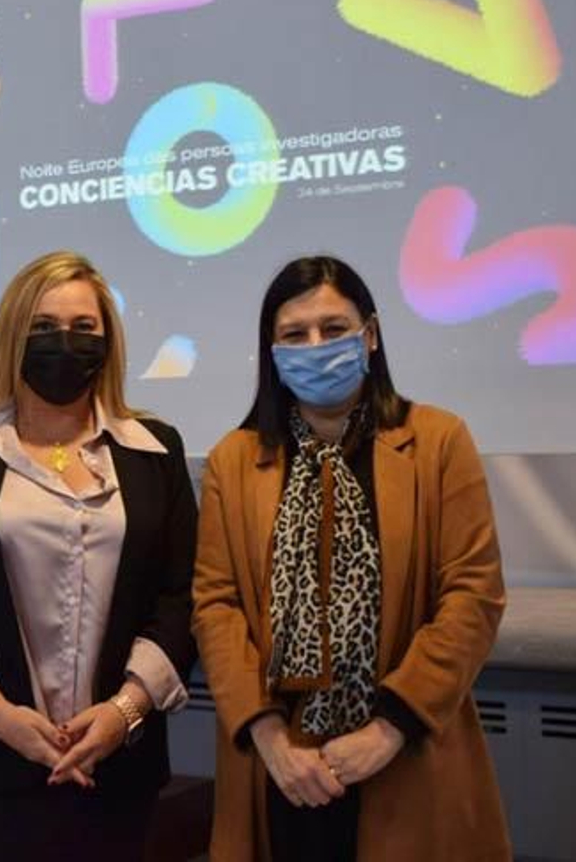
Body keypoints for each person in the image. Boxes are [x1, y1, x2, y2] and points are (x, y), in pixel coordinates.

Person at [192, 255, 510, 861]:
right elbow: (216, 605)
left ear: (370, 335)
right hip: (279, 761)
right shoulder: (233, 460)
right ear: (272, 351)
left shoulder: (439, 441)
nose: (315, 346)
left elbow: (473, 595)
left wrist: (388, 729)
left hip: (404, 749)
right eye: (294, 334)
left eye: (333, 329)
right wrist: (269, 737)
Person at [0, 250, 198, 861]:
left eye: (84, 328)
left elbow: (182, 594)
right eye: (44, 327)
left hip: (119, 765)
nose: (66, 343)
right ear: (12, 336)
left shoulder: (155, 449)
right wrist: (2, 717)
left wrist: (124, 712)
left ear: (108, 341)